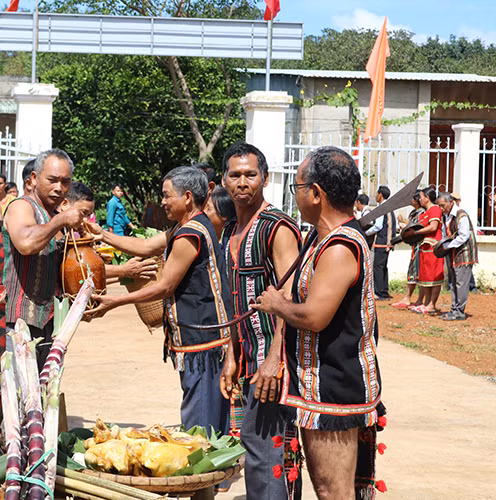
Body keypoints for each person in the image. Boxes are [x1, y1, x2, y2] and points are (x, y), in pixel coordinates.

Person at [253, 146, 385, 500]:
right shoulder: (319, 237)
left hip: (334, 391)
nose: (295, 196)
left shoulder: (341, 245)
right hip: (318, 388)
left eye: (297, 187)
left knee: (332, 491)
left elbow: (314, 316)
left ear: (316, 193)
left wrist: (277, 305)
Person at [86, 167, 232, 441]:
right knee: (205, 416)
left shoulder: (191, 233)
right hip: (201, 339)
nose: (162, 202)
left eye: (167, 196)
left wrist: (115, 301)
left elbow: (165, 285)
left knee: (201, 426)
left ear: (187, 197)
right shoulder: (189, 225)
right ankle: (213, 482)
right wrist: (101, 234)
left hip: (203, 341)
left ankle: (207, 482)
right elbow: (144, 247)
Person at [219, 142, 302, 499]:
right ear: (223, 181)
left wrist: (275, 358)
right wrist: (231, 356)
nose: (242, 182)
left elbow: (290, 297)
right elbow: (234, 301)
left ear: (264, 179)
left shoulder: (277, 227)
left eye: (250, 175)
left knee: (269, 452)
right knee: (255, 448)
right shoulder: (228, 232)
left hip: (274, 362)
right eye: (235, 175)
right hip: (249, 359)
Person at [2, 149, 83, 368]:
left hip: (51, 324)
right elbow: (26, 243)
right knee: (21, 395)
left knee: (45, 393)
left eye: (65, 182)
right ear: (35, 178)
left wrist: (124, 271)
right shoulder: (21, 206)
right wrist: (63, 219)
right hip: (19, 323)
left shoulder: (53, 216)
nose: (59, 188)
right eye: (52, 180)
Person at [61, 182, 158, 281]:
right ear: (64, 204)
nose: (85, 220)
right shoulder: (57, 233)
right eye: (83, 213)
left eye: (88, 215)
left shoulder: (72, 231)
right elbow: (78, 269)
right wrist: (124, 270)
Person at [437, 193, 477, 320]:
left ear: (451, 202)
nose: (441, 209)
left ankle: (459, 311)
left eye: (443, 205)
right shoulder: (446, 216)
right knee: (453, 282)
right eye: (439, 206)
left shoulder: (461, 215)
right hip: (453, 252)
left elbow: (463, 236)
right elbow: (446, 233)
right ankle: (454, 309)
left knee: (461, 283)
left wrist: (448, 245)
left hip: (463, 253)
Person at [409, 187, 444, 314]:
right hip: (425, 247)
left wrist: (416, 232)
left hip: (433, 246)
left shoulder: (435, 210)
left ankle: (431, 304)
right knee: (426, 276)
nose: (420, 199)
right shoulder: (424, 213)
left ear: (427, 198)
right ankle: (426, 303)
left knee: (434, 276)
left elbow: (433, 227)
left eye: (422, 196)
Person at [391, 193, 424, 308]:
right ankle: (408, 297)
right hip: (415, 246)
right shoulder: (414, 213)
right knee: (412, 271)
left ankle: (418, 299)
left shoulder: (422, 213)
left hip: (420, 246)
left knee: (418, 272)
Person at [365, 186, 398, 300]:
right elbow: (395, 225)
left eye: (377, 193)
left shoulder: (382, 208)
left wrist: (366, 233)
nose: (375, 196)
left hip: (381, 242)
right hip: (388, 243)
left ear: (381, 195)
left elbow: (378, 226)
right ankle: (384, 291)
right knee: (383, 267)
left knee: (378, 267)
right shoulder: (390, 208)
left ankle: (379, 293)